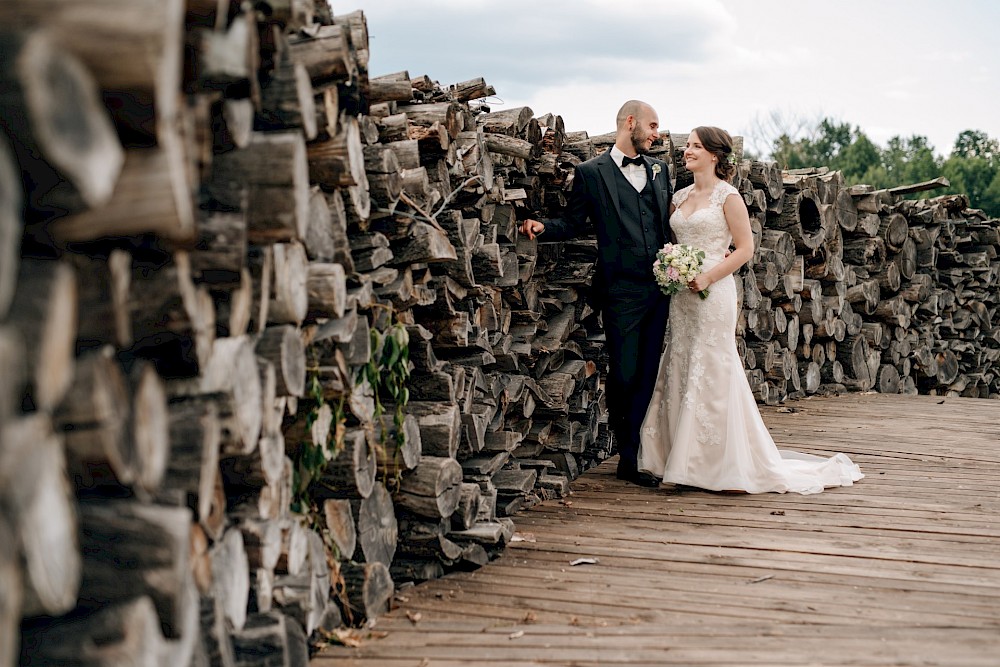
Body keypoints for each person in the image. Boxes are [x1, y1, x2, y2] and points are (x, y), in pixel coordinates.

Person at [637, 126, 863, 494]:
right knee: (680, 360)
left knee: (712, 365)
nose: (687, 151)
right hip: (682, 295)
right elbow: (674, 241)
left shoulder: (729, 197)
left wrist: (708, 277)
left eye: (695, 146)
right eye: (688, 146)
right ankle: (678, 459)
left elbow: (744, 249)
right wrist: (673, 267)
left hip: (714, 290)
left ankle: (723, 464)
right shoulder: (677, 197)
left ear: (714, 155)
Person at [520, 100, 671, 487]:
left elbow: (668, 223)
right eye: (652, 125)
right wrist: (543, 227)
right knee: (624, 374)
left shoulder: (660, 170)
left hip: (660, 289)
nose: (657, 133)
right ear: (631, 122)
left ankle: (634, 459)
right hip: (620, 289)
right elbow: (573, 222)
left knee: (648, 374)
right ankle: (628, 450)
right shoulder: (592, 173)